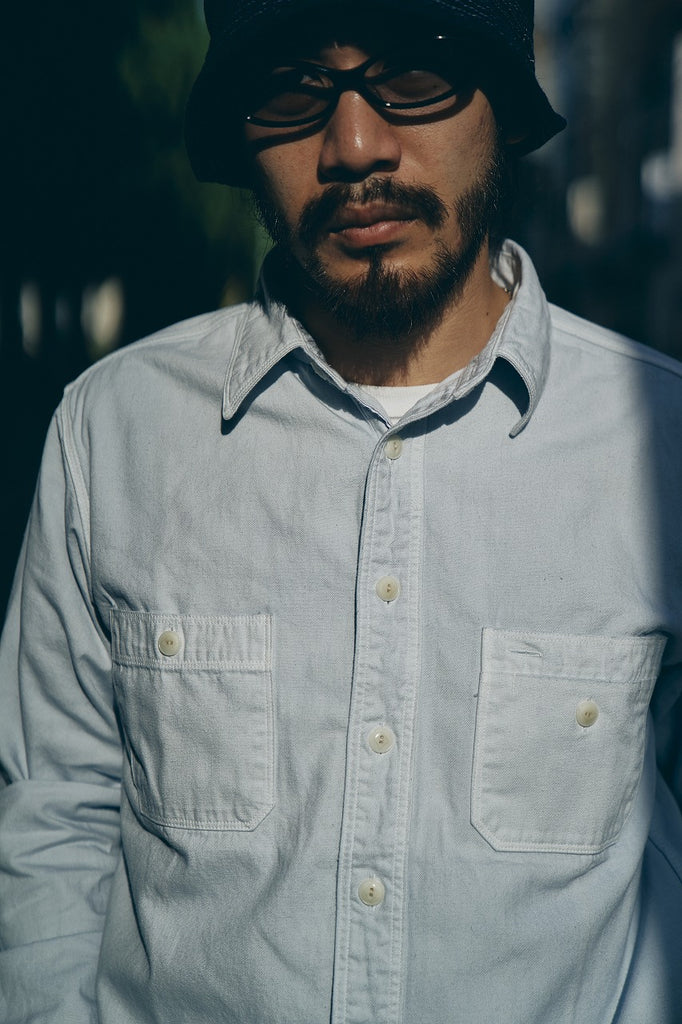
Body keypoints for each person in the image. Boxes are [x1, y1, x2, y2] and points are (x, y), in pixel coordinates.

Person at [1, 0, 681, 1021]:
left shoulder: (657, 444)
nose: (355, 146)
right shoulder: (111, 434)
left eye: (414, 77)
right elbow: (53, 828)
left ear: (501, 101)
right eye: (293, 92)